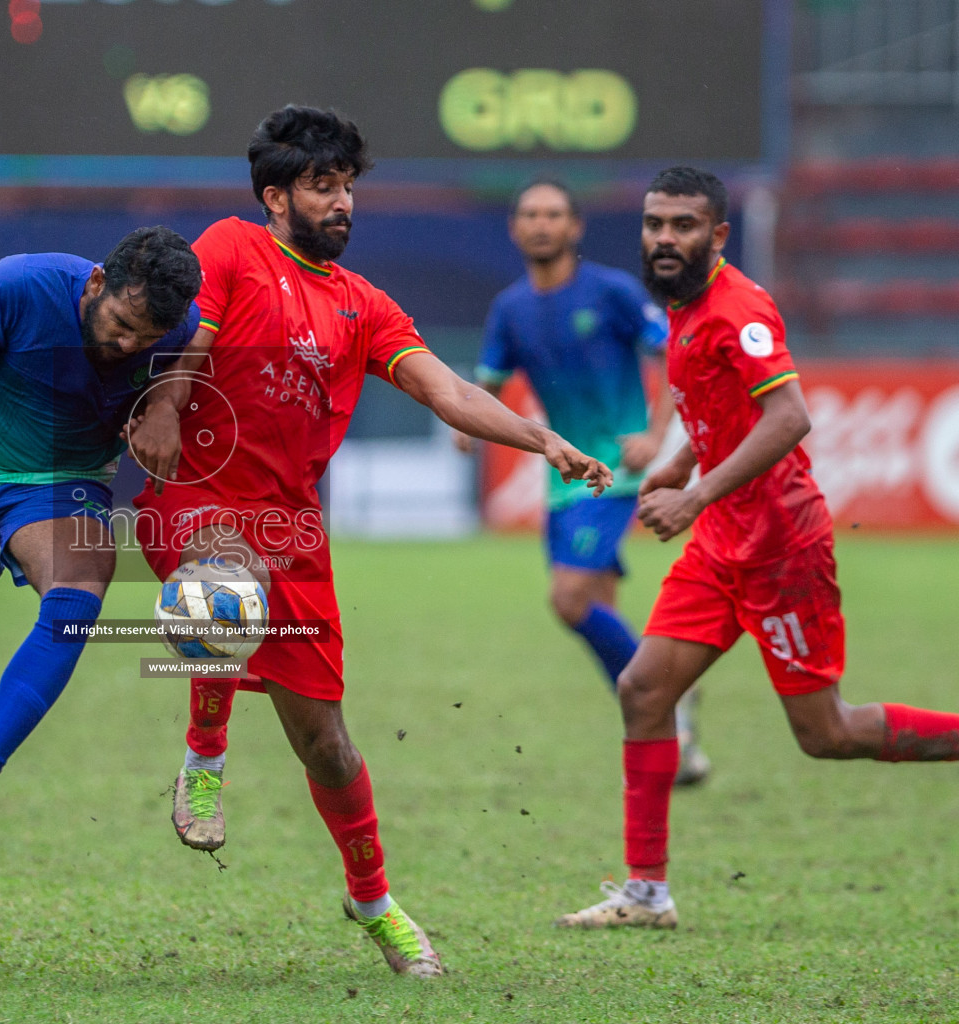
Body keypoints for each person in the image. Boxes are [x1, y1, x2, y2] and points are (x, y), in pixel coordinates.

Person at [127, 106, 613, 976]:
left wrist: (541, 439)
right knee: (224, 575)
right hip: (193, 496)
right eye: (322, 186)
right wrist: (162, 407)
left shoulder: (364, 305)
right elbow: (188, 344)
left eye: (348, 185)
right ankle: (205, 752)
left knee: (330, 746)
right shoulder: (232, 248)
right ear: (276, 197)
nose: (342, 200)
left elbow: (450, 391)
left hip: (295, 534)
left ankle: (373, 900)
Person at [556, 166, 959, 930]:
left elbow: (788, 417)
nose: (665, 238)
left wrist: (696, 493)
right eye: (654, 224)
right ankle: (646, 895)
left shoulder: (738, 307)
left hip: (781, 549)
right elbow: (710, 400)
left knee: (827, 735)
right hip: (722, 545)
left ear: (718, 234)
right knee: (644, 690)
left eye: (682, 225)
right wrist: (678, 464)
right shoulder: (678, 306)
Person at [0, 226, 202, 882]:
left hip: (64, 481)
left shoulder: (177, 325)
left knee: (84, 583)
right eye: (122, 324)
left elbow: (191, 352)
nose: (130, 345)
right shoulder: (19, 284)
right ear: (96, 285)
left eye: (146, 337)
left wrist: (167, 400)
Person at [460, 177, 711, 786]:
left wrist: (654, 437)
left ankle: (665, 698)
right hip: (564, 479)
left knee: (568, 600)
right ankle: (661, 725)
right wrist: (464, 421)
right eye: (530, 214)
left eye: (554, 214)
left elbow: (677, 350)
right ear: (515, 228)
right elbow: (486, 384)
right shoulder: (511, 309)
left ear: (575, 227)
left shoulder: (613, 291)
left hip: (617, 475)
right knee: (597, 608)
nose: (542, 224)